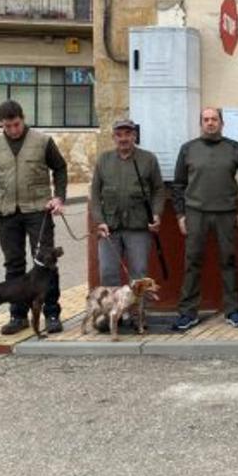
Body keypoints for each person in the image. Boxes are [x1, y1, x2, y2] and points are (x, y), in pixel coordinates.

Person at [0, 99, 68, 334]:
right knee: (13, 265)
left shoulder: (42, 141)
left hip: (39, 209)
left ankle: (52, 314)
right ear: (1, 124)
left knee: (46, 263)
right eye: (7, 126)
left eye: (16, 124)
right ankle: (18, 316)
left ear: (23, 119)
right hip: (7, 213)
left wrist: (59, 197)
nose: (13, 130)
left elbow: (60, 168)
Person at [170, 107, 238, 331]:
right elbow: (178, 184)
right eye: (206, 119)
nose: (210, 123)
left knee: (229, 261)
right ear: (200, 123)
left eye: (214, 119)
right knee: (192, 262)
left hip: (226, 213)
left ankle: (233, 310)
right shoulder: (188, 149)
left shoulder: (235, 149)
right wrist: (180, 214)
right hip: (196, 212)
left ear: (222, 123)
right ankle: (187, 312)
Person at [89, 119, 165, 326]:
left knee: (139, 273)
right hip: (109, 228)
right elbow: (95, 194)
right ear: (113, 137)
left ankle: (137, 315)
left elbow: (159, 190)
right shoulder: (104, 160)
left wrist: (156, 214)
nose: (124, 138)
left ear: (134, 136)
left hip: (138, 226)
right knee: (108, 272)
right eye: (119, 134)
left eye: (128, 134)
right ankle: (111, 315)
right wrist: (99, 221)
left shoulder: (148, 159)